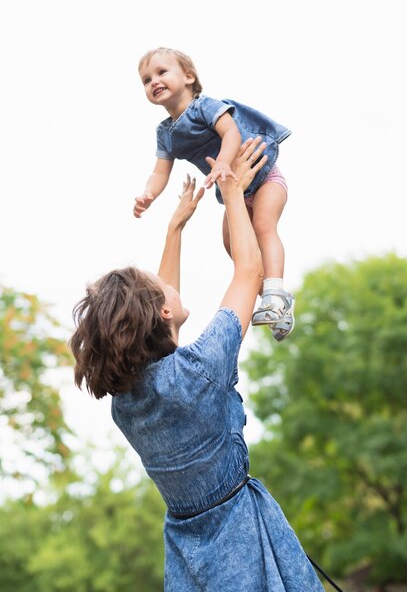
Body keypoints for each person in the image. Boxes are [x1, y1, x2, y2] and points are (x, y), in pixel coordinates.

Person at [70, 138, 324, 591]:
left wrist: (175, 229)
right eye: (160, 288)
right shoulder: (202, 369)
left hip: (188, 548)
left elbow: (159, 335)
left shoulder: (128, 404)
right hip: (241, 536)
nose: (169, 288)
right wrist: (232, 194)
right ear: (161, 313)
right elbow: (249, 271)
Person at [133, 47, 295, 342]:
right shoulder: (164, 133)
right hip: (236, 192)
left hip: (264, 175)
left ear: (189, 77)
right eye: (146, 79)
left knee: (263, 226)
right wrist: (149, 194)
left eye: (161, 72)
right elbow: (160, 172)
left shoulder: (204, 106)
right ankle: (275, 299)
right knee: (230, 241)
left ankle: (275, 290)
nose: (153, 81)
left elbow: (231, 132)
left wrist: (222, 161)